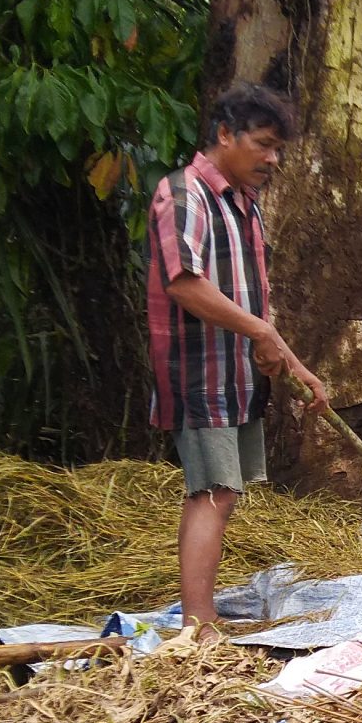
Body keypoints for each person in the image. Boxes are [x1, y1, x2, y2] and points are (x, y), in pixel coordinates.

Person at [145, 82, 331, 634]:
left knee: (225, 492)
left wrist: (294, 366)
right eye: (264, 144)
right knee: (212, 491)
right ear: (225, 135)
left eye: (279, 149)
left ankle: (201, 622)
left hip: (237, 375)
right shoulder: (184, 196)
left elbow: (254, 309)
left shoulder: (243, 205)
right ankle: (199, 628)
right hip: (198, 370)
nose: (273, 160)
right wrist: (260, 332)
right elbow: (184, 284)